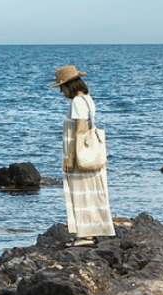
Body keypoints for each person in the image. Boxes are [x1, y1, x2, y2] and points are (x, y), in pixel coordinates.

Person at [51, 64, 115, 247]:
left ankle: (85, 236)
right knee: (91, 191)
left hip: (79, 153)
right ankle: (92, 231)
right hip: (88, 151)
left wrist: (70, 158)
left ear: (68, 86)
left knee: (80, 192)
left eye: (62, 87)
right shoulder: (87, 99)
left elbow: (79, 130)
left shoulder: (77, 102)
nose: (61, 92)